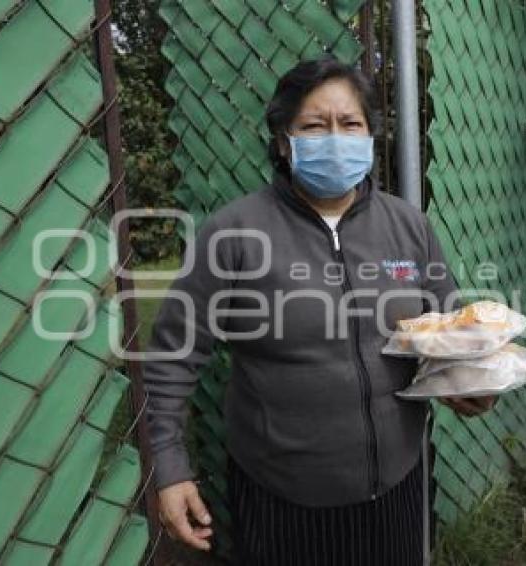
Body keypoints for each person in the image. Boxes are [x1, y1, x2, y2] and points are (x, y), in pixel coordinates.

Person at [143, 54, 499, 566]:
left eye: (350, 124)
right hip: (283, 497)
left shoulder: (408, 227)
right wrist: (170, 468)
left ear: (371, 137)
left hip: (396, 485)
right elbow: (173, 359)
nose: (336, 138)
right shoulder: (235, 233)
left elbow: (448, 328)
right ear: (285, 143)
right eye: (315, 125)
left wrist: (469, 380)